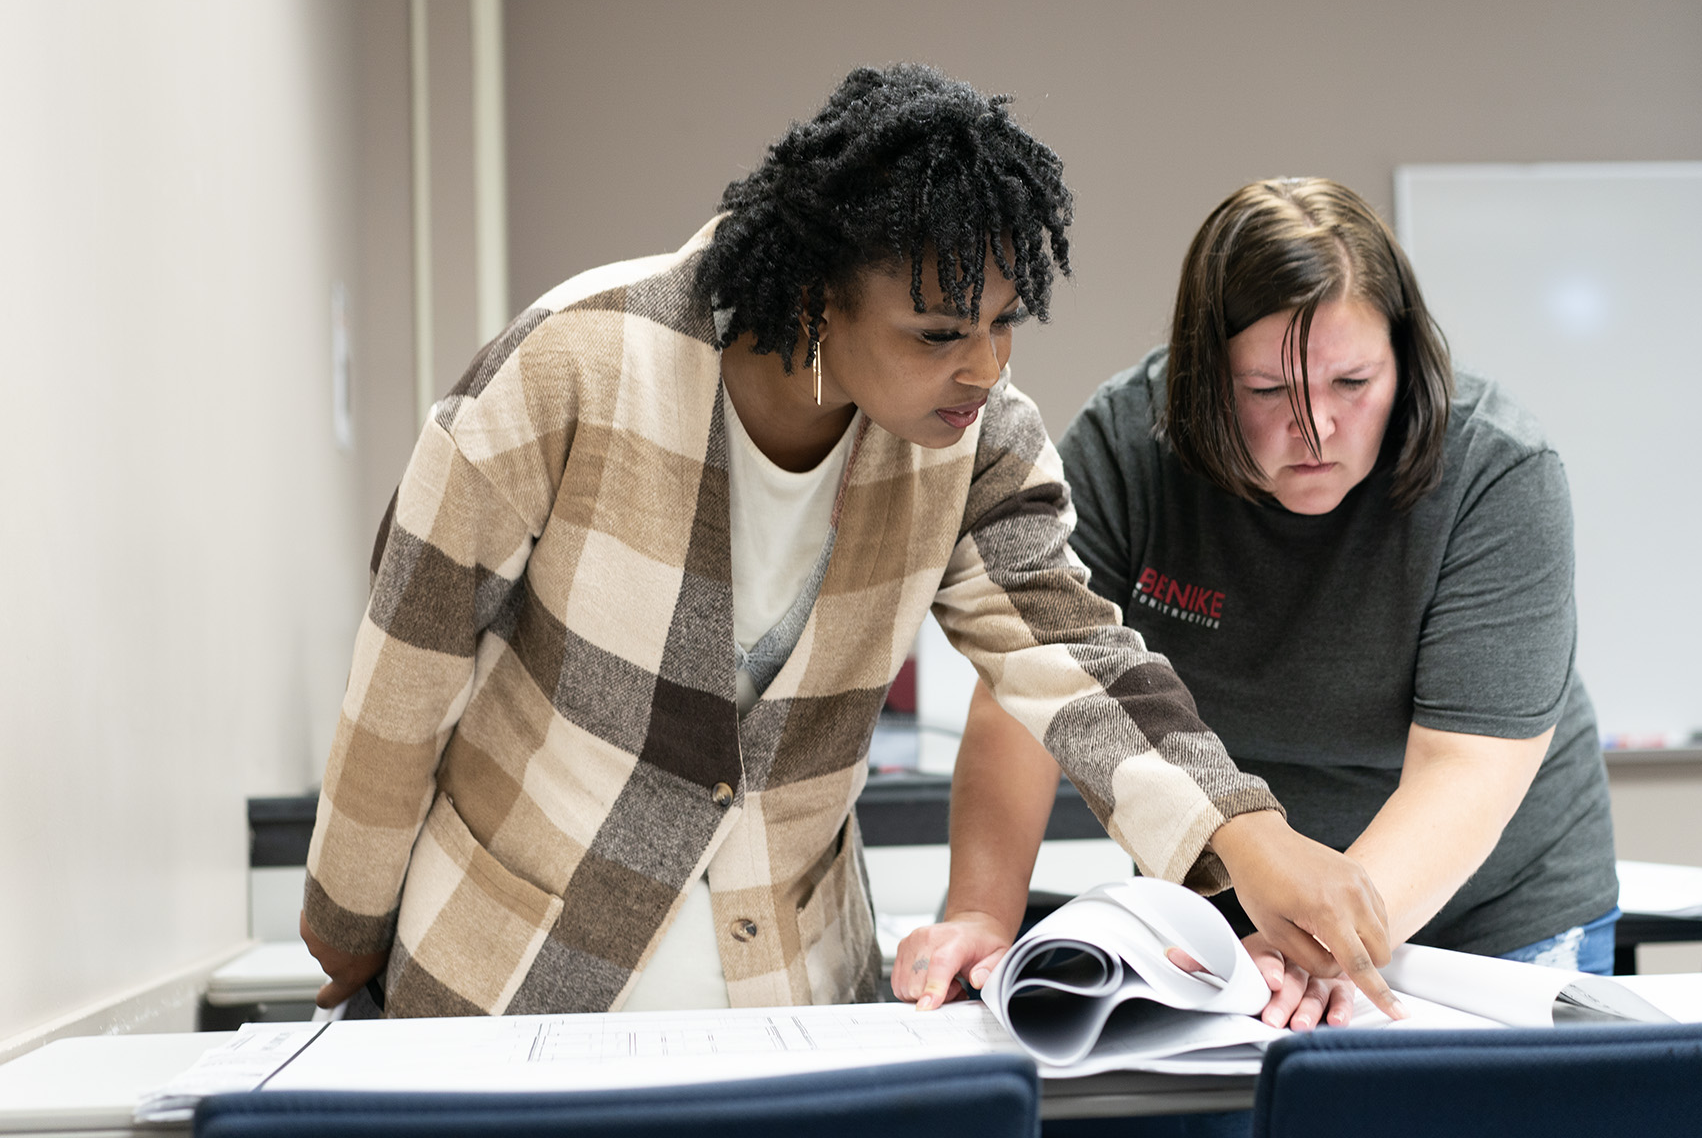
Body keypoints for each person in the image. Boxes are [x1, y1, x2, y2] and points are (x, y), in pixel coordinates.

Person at [299, 71, 1403, 1020]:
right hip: (508, 985)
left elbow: (1074, 656)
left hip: (792, 996)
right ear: (818, 301)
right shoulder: (575, 366)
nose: (983, 367)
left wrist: (1246, 837)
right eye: (937, 333)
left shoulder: (979, 438)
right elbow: (411, 661)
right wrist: (345, 921)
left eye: (1006, 321)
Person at [897, 177, 1618, 1032]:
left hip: (1488, 922)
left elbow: (1464, 772)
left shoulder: (1498, 474)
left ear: (1406, 359)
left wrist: (1328, 942)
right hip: (1225, 913)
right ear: (1204, 382)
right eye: (1268, 393)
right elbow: (1031, 689)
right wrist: (983, 913)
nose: (1314, 430)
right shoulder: (1133, 448)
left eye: (1352, 382)